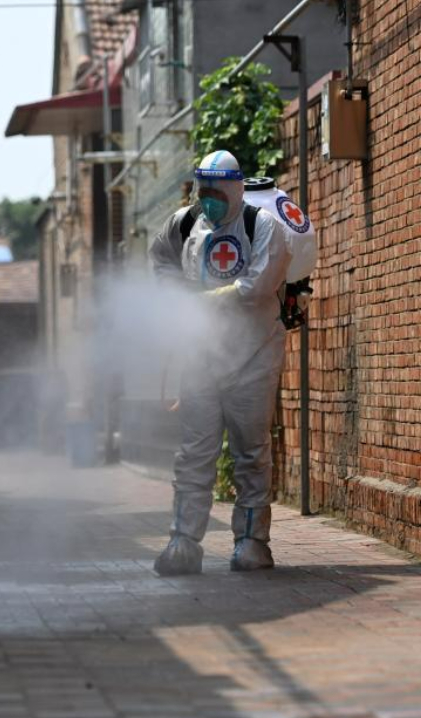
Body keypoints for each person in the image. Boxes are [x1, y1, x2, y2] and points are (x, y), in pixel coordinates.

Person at [148, 150, 292, 574]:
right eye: (203, 189)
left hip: (253, 356)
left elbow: (258, 286)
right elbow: (160, 261)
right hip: (200, 359)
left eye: (217, 190)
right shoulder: (185, 224)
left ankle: (251, 542)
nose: (209, 199)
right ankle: (183, 541)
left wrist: (206, 300)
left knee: (251, 453)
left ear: (234, 187)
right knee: (193, 454)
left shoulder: (261, 226)